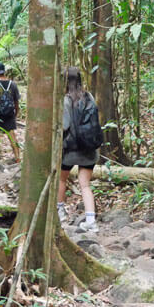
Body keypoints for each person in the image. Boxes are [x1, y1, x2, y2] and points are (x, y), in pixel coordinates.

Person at [57, 66, 99, 232]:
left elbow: (65, 125)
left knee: (61, 179)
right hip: (89, 148)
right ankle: (91, 221)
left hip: (71, 150)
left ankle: (60, 212)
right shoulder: (89, 97)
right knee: (85, 185)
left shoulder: (67, 100)